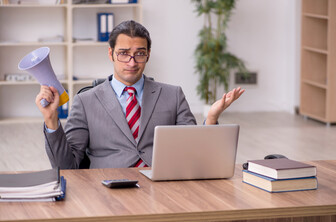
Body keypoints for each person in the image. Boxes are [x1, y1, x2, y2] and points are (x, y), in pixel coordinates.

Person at [35, 20, 245, 169]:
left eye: (140, 54)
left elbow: (194, 154)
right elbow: (66, 166)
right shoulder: (85, 101)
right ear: (111, 54)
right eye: (124, 53)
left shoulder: (173, 95)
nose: (132, 62)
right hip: (108, 188)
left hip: (164, 187)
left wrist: (211, 119)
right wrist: (51, 119)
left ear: (148, 54)